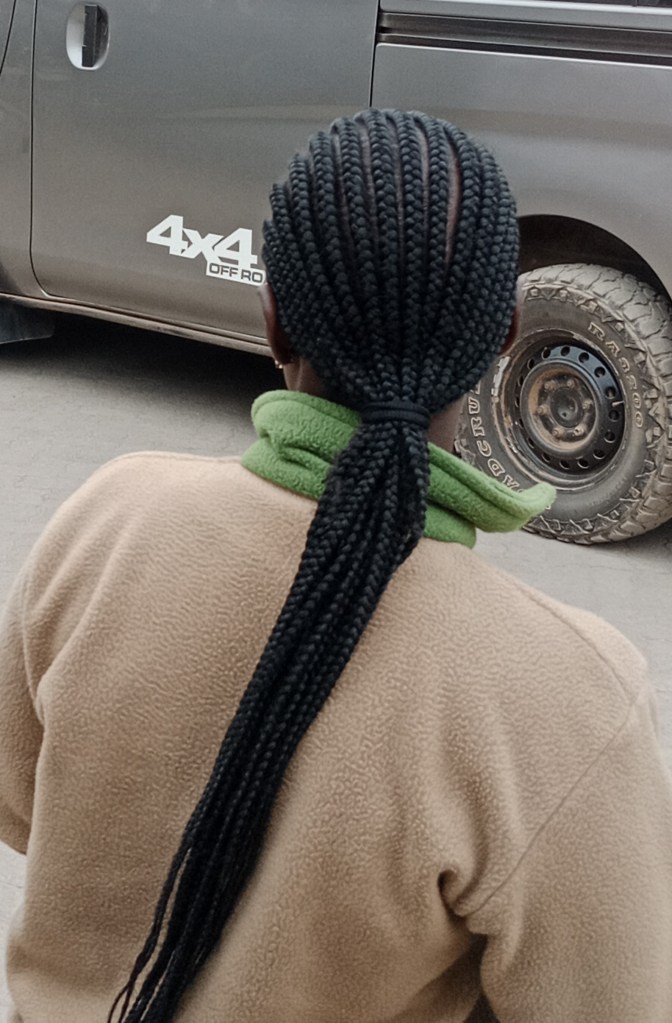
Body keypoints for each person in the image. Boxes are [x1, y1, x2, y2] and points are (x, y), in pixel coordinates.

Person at [0, 109, 671, 1023]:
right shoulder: (574, 699)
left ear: (275, 318)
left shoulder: (107, 521)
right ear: (504, 334)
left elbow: (23, 806)